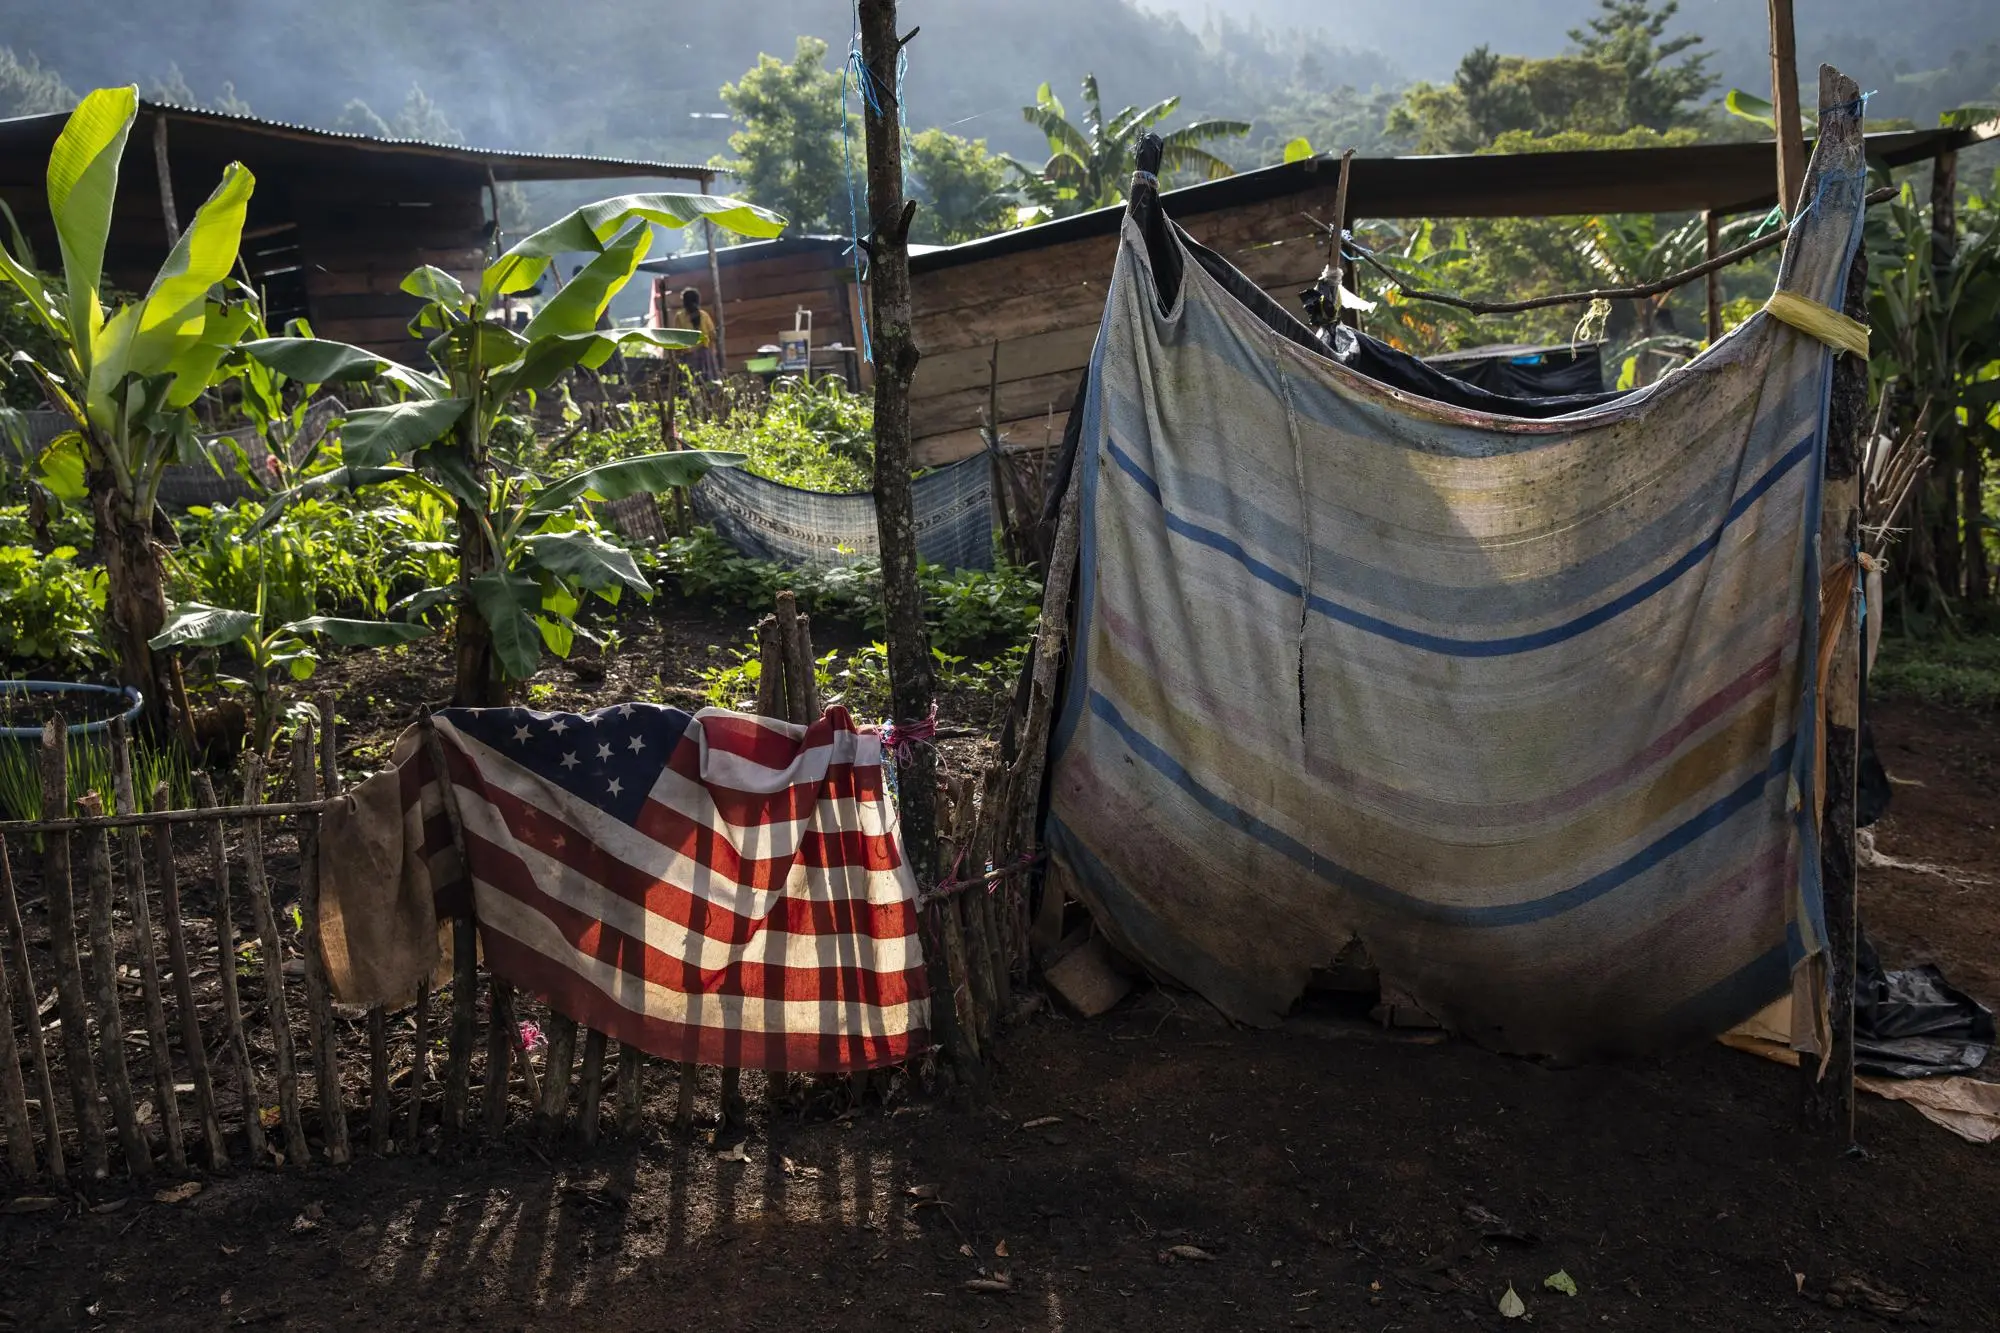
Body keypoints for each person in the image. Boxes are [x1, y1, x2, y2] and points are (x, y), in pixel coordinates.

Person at [668, 286, 721, 382]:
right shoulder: (704, 315)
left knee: (692, 386)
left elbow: (677, 340)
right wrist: (712, 352)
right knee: (709, 384)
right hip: (705, 356)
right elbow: (713, 335)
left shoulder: (680, 317)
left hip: (689, 357)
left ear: (684, 302)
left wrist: (677, 356)